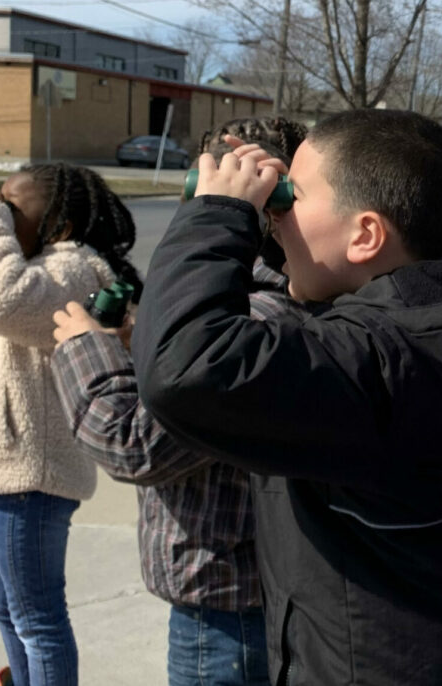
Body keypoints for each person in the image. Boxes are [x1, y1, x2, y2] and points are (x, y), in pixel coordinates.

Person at [129, 109, 442, 684]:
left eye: (292, 198)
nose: (277, 218)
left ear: (365, 234)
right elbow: (326, 297)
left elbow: (184, 367)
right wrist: (283, 211)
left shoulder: (378, 362)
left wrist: (218, 213)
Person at [49, 117, 307, 686]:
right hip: (245, 588)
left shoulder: (254, 318)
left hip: (226, 602)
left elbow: (134, 444)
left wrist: (84, 349)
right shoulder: (271, 300)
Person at [0, 164, 138, 686]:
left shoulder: (73, 269)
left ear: (57, 222)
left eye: (13, 208)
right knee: (2, 599)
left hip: (33, 471)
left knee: (37, 614)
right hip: (9, 468)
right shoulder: (24, 267)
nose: (0, 214)